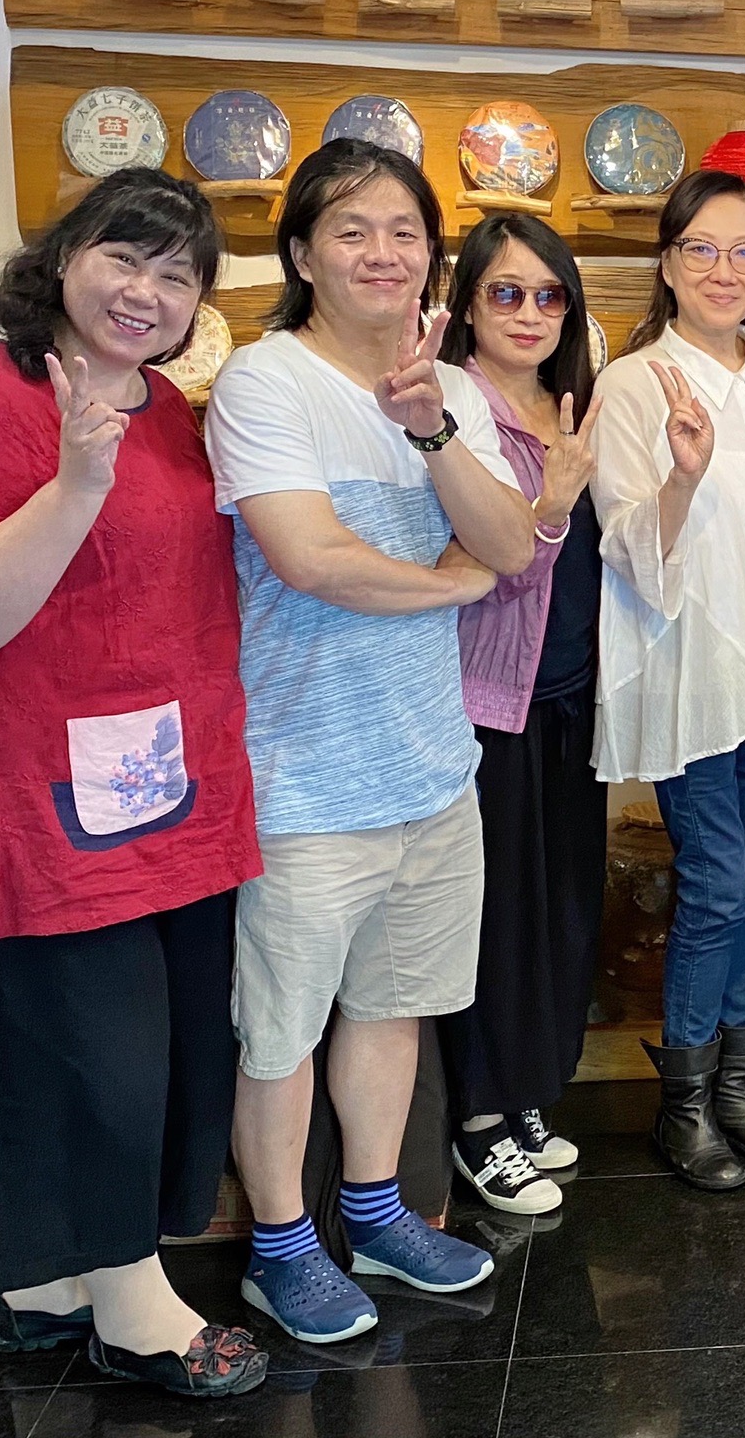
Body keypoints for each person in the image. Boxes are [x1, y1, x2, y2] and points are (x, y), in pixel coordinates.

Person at [0, 168, 268, 1397]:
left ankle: (53, 1283)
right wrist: (72, 488)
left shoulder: (165, 408)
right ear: (61, 261)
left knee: (154, 1047)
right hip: (26, 798)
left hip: (155, 790)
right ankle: (134, 1306)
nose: (145, 292)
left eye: (176, 274)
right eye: (122, 258)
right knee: (98, 1058)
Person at [206, 140, 535, 1342]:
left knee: (393, 1008)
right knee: (281, 1032)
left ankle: (379, 1211)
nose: (382, 253)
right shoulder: (265, 383)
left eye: (404, 231)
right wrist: (448, 584)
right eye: (352, 230)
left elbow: (512, 543)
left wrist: (434, 432)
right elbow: (310, 557)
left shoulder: (449, 390)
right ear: (302, 253)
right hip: (301, 775)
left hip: (431, 769)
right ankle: (279, 1249)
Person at [592, 168, 745, 1192]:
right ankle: (685, 1107)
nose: (723, 270)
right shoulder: (634, 383)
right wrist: (683, 478)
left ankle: (735, 1088)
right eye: (701, 249)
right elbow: (625, 544)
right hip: (693, 671)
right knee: (711, 885)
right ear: (667, 263)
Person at [433, 212, 603, 1215]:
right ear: (467, 305)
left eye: (549, 295)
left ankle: (528, 1088)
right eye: (506, 292)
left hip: (572, 695)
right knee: (492, 919)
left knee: (557, 910)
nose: (530, 313)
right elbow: (490, 561)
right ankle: (478, 1119)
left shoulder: (574, 404)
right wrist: (554, 502)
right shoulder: (453, 406)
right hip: (487, 700)